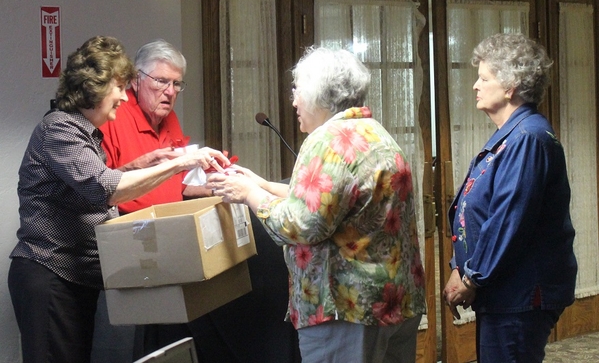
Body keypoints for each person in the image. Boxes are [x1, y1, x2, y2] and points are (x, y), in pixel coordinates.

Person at [7, 35, 229, 363]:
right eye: (118, 88)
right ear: (94, 87)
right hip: (50, 278)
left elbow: (85, 187)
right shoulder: (59, 129)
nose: (124, 98)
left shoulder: (85, 133)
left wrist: (135, 166)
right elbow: (105, 189)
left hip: (78, 279)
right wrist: (179, 163)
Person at [208, 46, 427, 363]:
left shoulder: (328, 140)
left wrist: (247, 194)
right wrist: (262, 184)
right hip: (392, 300)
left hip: (346, 310)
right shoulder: (374, 133)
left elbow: (302, 225)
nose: (294, 101)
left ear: (317, 95)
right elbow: (340, 206)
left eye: (297, 91)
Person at [97, 39, 301, 363]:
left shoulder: (169, 119)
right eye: (161, 82)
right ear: (137, 79)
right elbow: (104, 187)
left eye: (177, 84)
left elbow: (176, 185)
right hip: (135, 246)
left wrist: (215, 185)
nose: (170, 92)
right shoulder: (113, 118)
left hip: (176, 238)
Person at [442, 33, 578, 363]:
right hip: (504, 292)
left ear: (510, 86)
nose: (475, 85)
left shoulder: (528, 138)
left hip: (520, 296)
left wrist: (472, 276)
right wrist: (459, 266)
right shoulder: (512, 135)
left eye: (484, 78)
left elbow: (508, 222)